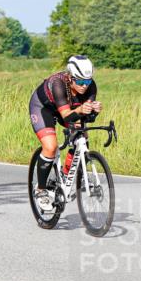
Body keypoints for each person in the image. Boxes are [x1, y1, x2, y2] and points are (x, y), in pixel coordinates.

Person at [28, 55, 102, 212]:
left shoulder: (91, 87)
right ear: (70, 77)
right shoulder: (58, 84)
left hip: (68, 109)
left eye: (87, 81)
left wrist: (93, 112)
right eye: (80, 81)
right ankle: (40, 190)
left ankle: (66, 175)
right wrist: (81, 110)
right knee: (50, 147)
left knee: (82, 136)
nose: (84, 86)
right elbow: (67, 116)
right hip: (44, 108)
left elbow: (86, 117)